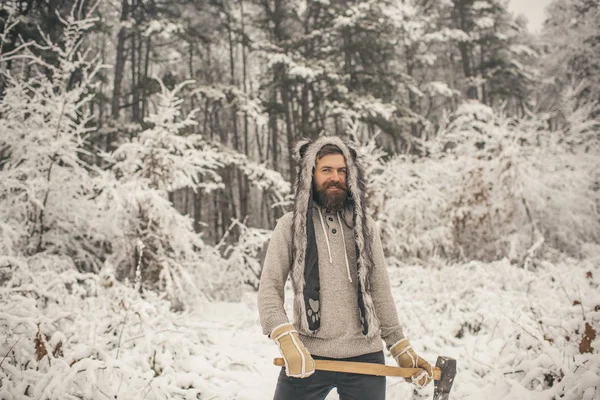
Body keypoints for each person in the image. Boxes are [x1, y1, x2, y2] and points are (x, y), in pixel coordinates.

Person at [258, 136, 433, 400]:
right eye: (326, 170)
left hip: (365, 357)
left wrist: (399, 346)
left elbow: (380, 290)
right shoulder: (290, 226)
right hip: (307, 354)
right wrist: (286, 339)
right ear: (310, 174)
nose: (335, 177)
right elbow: (269, 289)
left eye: (342, 171)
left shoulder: (365, 226)